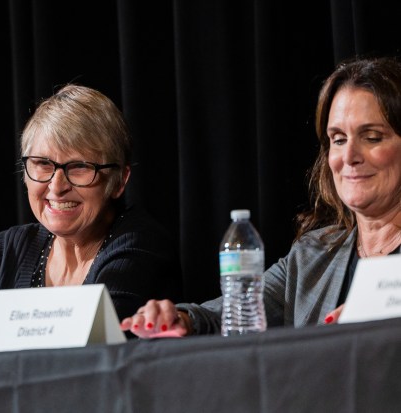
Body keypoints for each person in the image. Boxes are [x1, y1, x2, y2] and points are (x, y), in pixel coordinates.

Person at [121, 56, 401, 338]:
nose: (349, 157)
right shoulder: (311, 256)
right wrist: (181, 318)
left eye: (372, 137)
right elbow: (231, 312)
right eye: (338, 139)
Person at [0, 84, 183, 354]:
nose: (56, 186)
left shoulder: (140, 244)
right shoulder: (8, 250)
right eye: (43, 164)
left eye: (80, 167)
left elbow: (92, 352)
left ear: (119, 181)